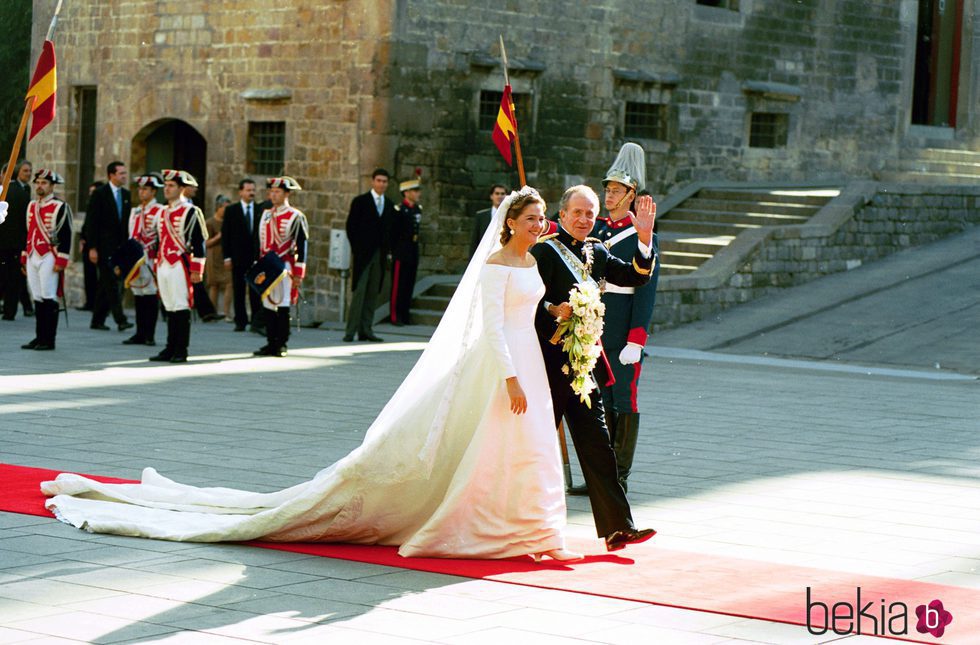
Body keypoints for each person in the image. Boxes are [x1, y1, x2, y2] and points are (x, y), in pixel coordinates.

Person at [41, 187, 592, 563]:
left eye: (541, 218)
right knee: (491, 443)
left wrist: (561, 314)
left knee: (533, 443)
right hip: (505, 365)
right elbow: (492, 327)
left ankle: (535, 526)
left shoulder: (531, 260)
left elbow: (531, 311)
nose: (539, 225)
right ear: (510, 225)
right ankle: (488, 522)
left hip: (530, 357)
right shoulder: (497, 264)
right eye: (532, 218)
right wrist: (511, 377)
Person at [530, 184, 657, 552]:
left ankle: (619, 527)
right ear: (562, 214)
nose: (585, 219)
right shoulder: (544, 252)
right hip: (548, 364)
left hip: (583, 366)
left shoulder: (597, 251)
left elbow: (635, 276)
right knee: (536, 446)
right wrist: (554, 312)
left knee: (599, 445)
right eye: (578, 213)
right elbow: (526, 302)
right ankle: (524, 523)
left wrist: (645, 239)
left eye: (590, 213)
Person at [593, 143, 660, 493]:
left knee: (623, 398)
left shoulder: (641, 236)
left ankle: (619, 475)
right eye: (607, 189)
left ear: (631, 195)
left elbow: (645, 291)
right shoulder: (600, 231)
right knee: (599, 400)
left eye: (616, 190)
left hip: (621, 330)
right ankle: (602, 472)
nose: (609, 194)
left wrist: (636, 339)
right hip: (596, 327)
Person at [149, 169, 206, 364]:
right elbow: (158, 239)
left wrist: (197, 269)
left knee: (180, 306)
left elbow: (199, 241)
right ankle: (170, 347)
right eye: (165, 185)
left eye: (171, 186)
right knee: (169, 306)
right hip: (164, 263)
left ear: (182, 188)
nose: (167, 189)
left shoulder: (191, 211)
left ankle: (181, 349)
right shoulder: (162, 212)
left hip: (179, 264)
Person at [253, 177, 308, 357]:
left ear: (286, 193)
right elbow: (260, 242)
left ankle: (281, 343)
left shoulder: (296, 216)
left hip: (284, 264)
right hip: (268, 264)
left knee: (282, 304)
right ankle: (270, 342)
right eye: (272, 191)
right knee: (268, 304)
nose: (273, 195)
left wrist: (299, 273)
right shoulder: (266, 214)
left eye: (277, 192)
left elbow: (302, 245)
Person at [19, 169, 72, 351]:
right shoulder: (32, 205)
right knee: (38, 297)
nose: (40, 186)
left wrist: (62, 260)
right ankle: (39, 336)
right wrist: (25, 255)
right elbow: (28, 232)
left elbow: (66, 233)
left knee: (48, 296)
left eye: (44, 183)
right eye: (38, 182)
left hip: (50, 254)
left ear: (51, 186)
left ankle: (49, 340)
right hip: (33, 253)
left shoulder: (60, 206)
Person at [344, 168, 392, 342]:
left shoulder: (388, 205)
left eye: (384, 181)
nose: (381, 184)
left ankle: (366, 329)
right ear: (373, 181)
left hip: (379, 256)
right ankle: (350, 331)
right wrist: (358, 249)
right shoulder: (360, 201)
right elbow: (351, 227)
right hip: (363, 256)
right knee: (359, 292)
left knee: (372, 293)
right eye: (378, 180)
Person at [84, 161, 133, 332]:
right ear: (111, 175)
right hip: (103, 246)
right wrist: (92, 247)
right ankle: (121, 319)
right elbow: (91, 222)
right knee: (112, 283)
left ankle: (97, 319)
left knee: (105, 284)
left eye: (125, 173)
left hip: (120, 247)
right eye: (121, 173)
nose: (124, 176)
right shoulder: (100, 194)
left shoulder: (126, 195)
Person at [119, 173, 165, 346]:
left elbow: (161, 236)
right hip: (136, 258)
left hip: (151, 258)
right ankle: (139, 332)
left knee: (151, 295)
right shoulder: (135, 210)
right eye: (140, 189)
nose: (141, 192)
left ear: (153, 192)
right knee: (138, 294)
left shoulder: (159, 210)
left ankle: (149, 334)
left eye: (145, 189)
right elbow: (131, 234)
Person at [221, 179, 262, 332]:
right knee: (238, 289)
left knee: (255, 290)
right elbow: (226, 235)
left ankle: (256, 321)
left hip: (255, 258)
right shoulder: (232, 210)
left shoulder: (260, 210)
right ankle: (241, 321)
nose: (251, 193)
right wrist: (227, 257)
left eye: (253, 190)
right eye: (248, 190)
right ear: (240, 192)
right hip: (237, 257)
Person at [0, 160, 33, 320]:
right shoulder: (22, 194)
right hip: (17, 243)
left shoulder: (4, 193)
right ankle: (9, 311)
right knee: (14, 278)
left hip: (3, 243)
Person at [184, 184, 220, 323]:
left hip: (191, 252)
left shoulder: (194, 206)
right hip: (177, 254)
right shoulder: (168, 207)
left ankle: (206, 312)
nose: (196, 190)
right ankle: (206, 311)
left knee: (196, 282)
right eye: (192, 186)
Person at [388, 176, 422, 326]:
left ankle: (405, 314)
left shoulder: (417, 209)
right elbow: (393, 233)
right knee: (398, 286)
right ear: (406, 192)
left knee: (409, 284)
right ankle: (395, 316)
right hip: (401, 251)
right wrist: (392, 252)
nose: (418, 193)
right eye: (415, 191)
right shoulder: (398, 210)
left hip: (412, 250)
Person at [76, 181, 104, 311]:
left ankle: (99, 305)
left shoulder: (103, 207)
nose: (91, 195)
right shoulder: (90, 206)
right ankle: (90, 301)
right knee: (89, 275)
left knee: (101, 277)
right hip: (87, 244)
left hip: (99, 245)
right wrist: (82, 239)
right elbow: (86, 225)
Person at [206, 194, 232, 321]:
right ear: (219, 208)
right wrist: (218, 236)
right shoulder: (210, 223)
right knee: (214, 284)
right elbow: (206, 243)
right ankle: (212, 312)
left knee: (229, 283)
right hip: (213, 255)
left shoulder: (229, 222)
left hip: (225, 255)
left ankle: (226, 313)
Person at [470, 183, 507, 257]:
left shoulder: (511, 216)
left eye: (502, 194)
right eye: (497, 193)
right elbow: (475, 240)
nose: (500, 196)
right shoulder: (481, 216)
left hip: (504, 256)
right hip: (483, 256)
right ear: (491, 196)